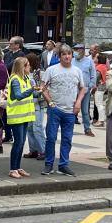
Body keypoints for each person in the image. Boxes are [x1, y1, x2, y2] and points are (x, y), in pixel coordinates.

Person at [41, 44, 86, 177]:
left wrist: (78, 102)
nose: (67, 56)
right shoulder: (51, 70)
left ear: (72, 56)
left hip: (70, 111)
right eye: (64, 54)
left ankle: (63, 165)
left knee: (67, 139)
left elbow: (83, 88)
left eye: (69, 54)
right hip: (55, 109)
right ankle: (48, 164)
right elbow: (42, 87)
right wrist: (50, 101)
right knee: (51, 138)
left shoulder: (77, 71)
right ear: (59, 56)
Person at [6, 56, 35, 179]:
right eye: (28, 65)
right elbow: (18, 95)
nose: (30, 67)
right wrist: (32, 90)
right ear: (22, 67)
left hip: (24, 115)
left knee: (22, 142)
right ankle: (13, 169)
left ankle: (17, 167)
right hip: (16, 116)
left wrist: (38, 91)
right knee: (18, 143)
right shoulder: (15, 79)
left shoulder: (26, 78)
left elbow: (29, 94)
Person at [24, 52, 46, 160]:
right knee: (29, 128)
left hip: (38, 102)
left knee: (37, 127)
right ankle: (33, 150)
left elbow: (43, 87)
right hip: (29, 102)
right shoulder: (25, 73)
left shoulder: (40, 73)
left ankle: (43, 150)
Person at [72, 43, 97, 136]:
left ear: (82, 50)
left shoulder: (89, 61)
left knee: (85, 111)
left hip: (85, 90)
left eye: (78, 49)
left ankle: (87, 129)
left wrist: (90, 86)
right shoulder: (71, 61)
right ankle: (69, 128)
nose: (76, 51)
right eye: (75, 50)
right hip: (73, 90)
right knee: (71, 110)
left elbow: (93, 75)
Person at [93, 53, 108, 128]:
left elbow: (96, 78)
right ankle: (101, 120)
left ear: (99, 59)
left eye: (96, 57)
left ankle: (101, 121)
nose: (94, 58)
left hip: (99, 87)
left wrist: (93, 87)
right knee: (100, 103)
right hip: (103, 87)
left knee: (99, 104)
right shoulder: (104, 66)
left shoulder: (99, 67)